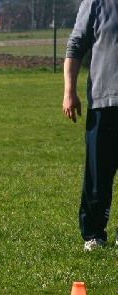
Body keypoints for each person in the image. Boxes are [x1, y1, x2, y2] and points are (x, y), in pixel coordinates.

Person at [63, 0, 118, 250]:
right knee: (98, 174)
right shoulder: (96, 2)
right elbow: (75, 46)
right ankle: (94, 234)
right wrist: (69, 91)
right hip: (104, 102)